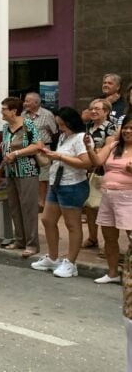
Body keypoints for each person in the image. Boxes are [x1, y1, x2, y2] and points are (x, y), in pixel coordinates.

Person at [31, 107, 91, 278]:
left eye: (62, 125)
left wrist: (59, 157)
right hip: (57, 182)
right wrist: (42, 153)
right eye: (59, 125)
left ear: (71, 123)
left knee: (72, 224)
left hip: (73, 184)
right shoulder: (64, 137)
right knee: (47, 220)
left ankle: (71, 263)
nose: (60, 129)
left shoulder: (81, 138)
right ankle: (53, 257)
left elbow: (85, 163)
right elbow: (51, 159)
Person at [0, 97, 43, 258]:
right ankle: (20, 239)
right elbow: (5, 152)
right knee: (14, 206)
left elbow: (37, 145)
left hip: (27, 170)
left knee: (28, 208)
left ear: (14, 111)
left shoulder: (28, 124)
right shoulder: (6, 127)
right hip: (11, 172)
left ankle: (32, 244)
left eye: (4, 109)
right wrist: (0, 171)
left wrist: (17, 153)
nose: (1, 112)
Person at [85, 116, 132, 284]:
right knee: (109, 236)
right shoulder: (113, 145)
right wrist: (89, 148)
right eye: (125, 128)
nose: (127, 131)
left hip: (128, 198)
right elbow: (97, 161)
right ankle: (112, 273)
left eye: (131, 128)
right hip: (108, 196)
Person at [83, 98, 116, 252]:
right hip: (87, 172)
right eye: (91, 108)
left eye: (97, 109)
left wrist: (97, 153)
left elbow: (110, 148)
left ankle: (109, 244)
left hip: (103, 172)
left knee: (105, 208)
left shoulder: (111, 128)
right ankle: (92, 237)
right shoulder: (87, 126)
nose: (93, 111)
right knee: (90, 206)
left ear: (106, 111)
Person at [23, 92, 58, 211]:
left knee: (43, 177)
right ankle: (31, 201)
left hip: (43, 148)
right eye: (25, 101)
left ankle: (42, 203)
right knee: (29, 174)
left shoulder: (47, 114)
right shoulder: (23, 115)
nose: (25, 103)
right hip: (27, 149)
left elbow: (55, 133)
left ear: (36, 103)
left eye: (28, 101)